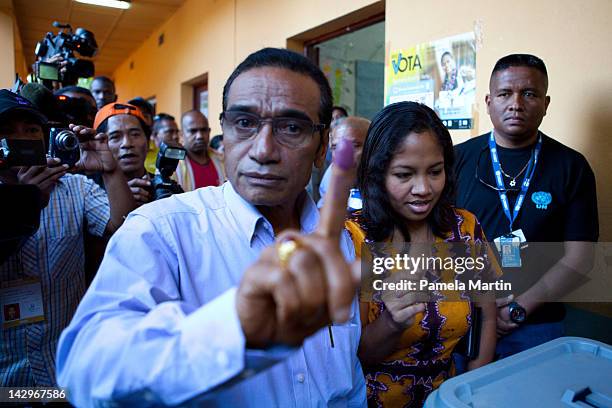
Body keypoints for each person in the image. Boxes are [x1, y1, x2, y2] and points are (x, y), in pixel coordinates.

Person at [56, 47, 366, 406]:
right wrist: (233, 329)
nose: (264, 150)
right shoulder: (160, 232)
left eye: (292, 128)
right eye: (245, 123)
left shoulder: (338, 242)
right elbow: (86, 372)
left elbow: (345, 377)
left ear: (321, 146)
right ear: (226, 131)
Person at [346, 101, 497, 407]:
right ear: (378, 175)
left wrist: (471, 384)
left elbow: (488, 309)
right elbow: (356, 355)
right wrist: (391, 322)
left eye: (435, 172)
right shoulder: (352, 240)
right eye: (404, 175)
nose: (423, 188)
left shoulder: (464, 228)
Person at [454, 54, 598, 358]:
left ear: (545, 104)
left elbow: (580, 258)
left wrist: (519, 308)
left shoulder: (572, 166)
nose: (516, 103)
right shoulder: (456, 159)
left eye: (529, 94)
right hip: (465, 317)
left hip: (537, 324)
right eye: (505, 93)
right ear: (489, 101)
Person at [0, 89, 134, 386]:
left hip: (65, 371)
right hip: (7, 378)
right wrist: (26, 203)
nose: (21, 138)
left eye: (31, 130)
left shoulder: (74, 187)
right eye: (7, 131)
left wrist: (110, 170)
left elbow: (125, 235)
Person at [94, 102, 154, 207]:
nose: (127, 143)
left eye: (135, 134)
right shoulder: (89, 192)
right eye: (115, 137)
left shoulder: (163, 188)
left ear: (148, 141)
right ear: (99, 145)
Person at [318, 116, 370, 210]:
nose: (342, 154)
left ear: (373, 146)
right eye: (335, 147)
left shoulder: (389, 182)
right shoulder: (331, 176)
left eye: (353, 146)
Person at [175, 109, 225, 191]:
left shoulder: (223, 159)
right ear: (181, 134)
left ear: (209, 131)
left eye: (203, 130)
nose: (199, 136)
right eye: (193, 131)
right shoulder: (174, 165)